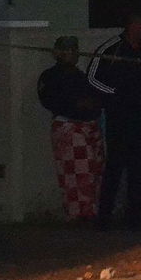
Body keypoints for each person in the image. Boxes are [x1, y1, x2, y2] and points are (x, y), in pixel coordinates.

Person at [89, 13, 141, 230]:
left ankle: (135, 216)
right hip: (119, 118)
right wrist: (117, 97)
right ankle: (105, 217)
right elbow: (92, 78)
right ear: (134, 25)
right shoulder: (111, 49)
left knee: (140, 168)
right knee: (115, 167)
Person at [37, 36, 104, 221]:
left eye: (74, 49)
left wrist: (91, 104)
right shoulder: (50, 76)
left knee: (93, 170)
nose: (72, 53)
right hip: (69, 126)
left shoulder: (81, 76)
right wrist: (77, 104)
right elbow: (51, 101)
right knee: (75, 172)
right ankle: (78, 214)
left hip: (89, 125)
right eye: (67, 49)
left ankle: (92, 211)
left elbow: (96, 99)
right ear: (56, 52)